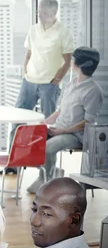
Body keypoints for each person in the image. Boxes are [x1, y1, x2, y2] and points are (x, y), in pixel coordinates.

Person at [0, 0, 74, 175]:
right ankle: (13, 164)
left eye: (42, 12)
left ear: (53, 13)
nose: (39, 15)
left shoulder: (63, 32)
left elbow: (68, 60)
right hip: (29, 82)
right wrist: (25, 72)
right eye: (38, 12)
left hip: (49, 85)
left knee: (47, 126)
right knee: (18, 121)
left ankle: (46, 170)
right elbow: (28, 53)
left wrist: (57, 78)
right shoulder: (33, 30)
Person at [26, 47, 104, 194]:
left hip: (76, 135)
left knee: (48, 148)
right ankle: (48, 175)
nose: (70, 61)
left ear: (78, 64)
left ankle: (47, 184)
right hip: (60, 128)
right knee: (33, 140)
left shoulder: (93, 90)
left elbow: (88, 122)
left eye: (73, 59)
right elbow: (61, 109)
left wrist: (63, 130)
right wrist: (46, 121)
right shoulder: (72, 82)